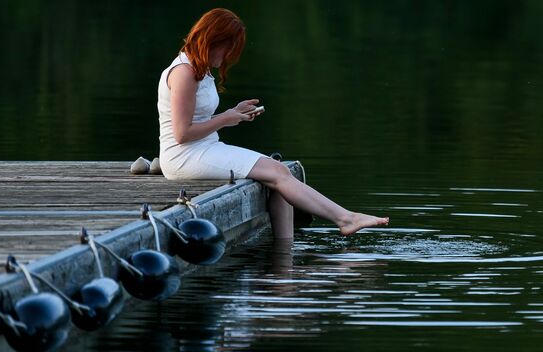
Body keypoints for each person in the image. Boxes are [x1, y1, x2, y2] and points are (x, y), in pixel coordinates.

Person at [157, 8, 388, 238]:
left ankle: (285, 251)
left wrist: (233, 113)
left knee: (278, 172)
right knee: (276, 171)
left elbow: (198, 120)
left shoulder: (200, 69)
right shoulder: (184, 73)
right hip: (183, 156)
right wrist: (227, 118)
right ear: (214, 40)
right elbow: (182, 133)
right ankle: (345, 218)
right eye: (229, 47)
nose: (229, 55)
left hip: (205, 148)